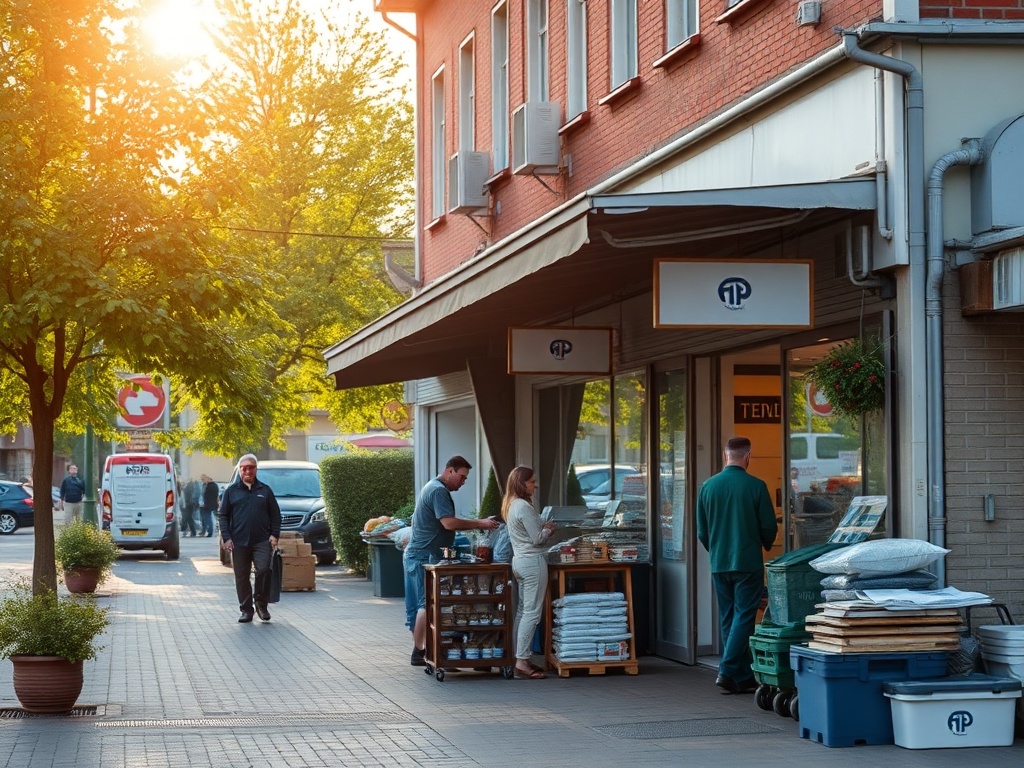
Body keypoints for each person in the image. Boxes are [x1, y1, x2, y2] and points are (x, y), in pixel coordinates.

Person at [696, 436, 779, 694]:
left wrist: (718, 550)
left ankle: (741, 677)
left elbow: (702, 531)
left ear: (725, 456)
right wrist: (765, 543)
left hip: (720, 562)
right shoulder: (756, 486)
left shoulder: (708, 487)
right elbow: (768, 526)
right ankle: (728, 669)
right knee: (745, 615)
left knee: (728, 616)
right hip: (747, 561)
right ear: (747, 457)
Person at [404, 456, 500, 666]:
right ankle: (420, 652)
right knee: (425, 604)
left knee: (418, 606)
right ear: (449, 471)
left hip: (418, 553)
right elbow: (448, 523)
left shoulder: (432, 486)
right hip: (424, 555)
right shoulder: (438, 491)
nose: (463, 482)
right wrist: (480, 523)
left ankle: (424, 648)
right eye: (462, 477)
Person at [502, 465, 555, 680]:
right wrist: (549, 529)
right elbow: (537, 538)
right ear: (521, 484)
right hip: (533, 562)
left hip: (519, 562)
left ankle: (518, 658)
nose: (535, 485)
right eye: (532, 481)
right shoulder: (523, 506)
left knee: (523, 611)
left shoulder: (511, 504)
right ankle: (522, 661)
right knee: (532, 613)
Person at [220, 454, 281, 623]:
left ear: (256, 469)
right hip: (238, 542)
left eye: (251, 467)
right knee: (241, 576)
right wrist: (227, 537)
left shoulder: (265, 491)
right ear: (239, 470)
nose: (247, 471)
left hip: (262, 540)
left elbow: (276, 515)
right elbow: (223, 516)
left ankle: (261, 605)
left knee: (263, 571)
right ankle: (246, 610)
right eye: (244, 468)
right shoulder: (231, 492)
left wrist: (274, 535)